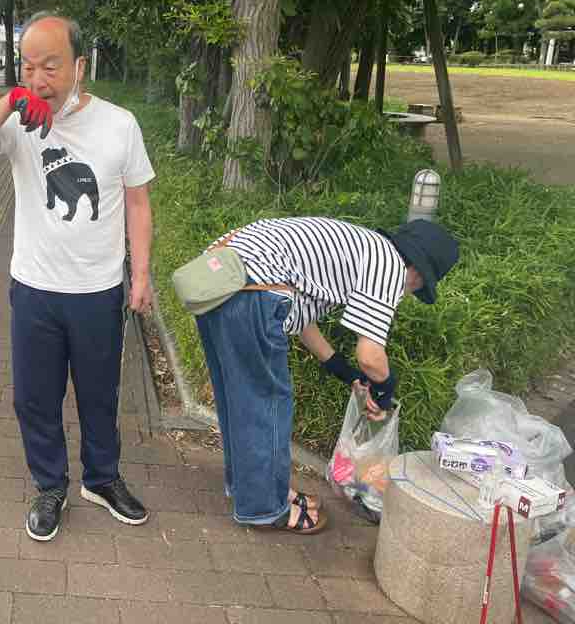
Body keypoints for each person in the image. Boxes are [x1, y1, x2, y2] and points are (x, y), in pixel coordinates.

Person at [0, 12, 155, 541]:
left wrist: (140, 275)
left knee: (99, 395)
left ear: (79, 66)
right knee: (35, 398)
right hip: (35, 289)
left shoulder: (119, 124)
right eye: (28, 66)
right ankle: (49, 486)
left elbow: (138, 202)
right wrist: (11, 101)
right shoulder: (20, 122)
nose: (39, 78)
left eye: (51, 66)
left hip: (98, 290)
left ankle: (102, 479)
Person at [193, 217, 459, 534]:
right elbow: (371, 357)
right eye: (419, 286)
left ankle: (256, 490)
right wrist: (385, 390)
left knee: (242, 404)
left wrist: (344, 372)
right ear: (417, 271)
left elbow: (299, 317)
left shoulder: (359, 248)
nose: (409, 291)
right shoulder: (389, 265)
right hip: (250, 291)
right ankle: (265, 508)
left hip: (218, 279)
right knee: (267, 407)